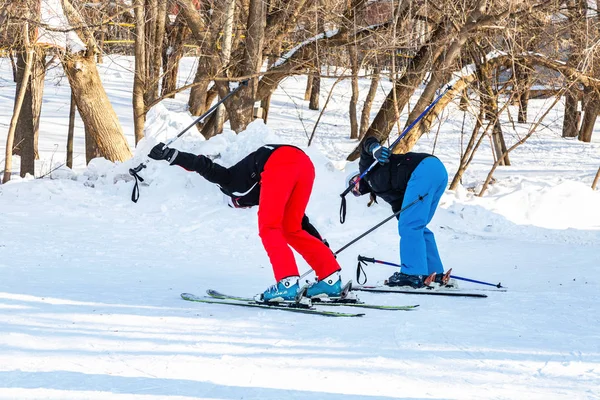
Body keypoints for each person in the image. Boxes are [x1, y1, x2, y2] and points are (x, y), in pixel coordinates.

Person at [149, 142, 343, 302]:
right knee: (291, 227)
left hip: (280, 161)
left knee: (269, 227)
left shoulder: (232, 182)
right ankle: (330, 279)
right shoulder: (264, 187)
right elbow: (303, 222)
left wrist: (172, 155)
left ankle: (287, 284)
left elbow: (204, 166)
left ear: (237, 201)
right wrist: (322, 246)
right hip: (304, 164)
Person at [347, 137, 449, 288]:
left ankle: (412, 275)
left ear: (357, 176)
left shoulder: (368, 168)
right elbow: (401, 209)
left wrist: (375, 148)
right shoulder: (385, 194)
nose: (355, 189)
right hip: (436, 171)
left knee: (410, 227)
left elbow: (367, 144)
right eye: (353, 192)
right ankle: (434, 274)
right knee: (417, 227)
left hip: (422, 168)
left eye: (352, 183)